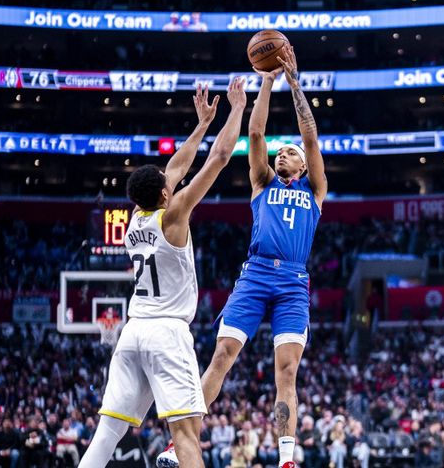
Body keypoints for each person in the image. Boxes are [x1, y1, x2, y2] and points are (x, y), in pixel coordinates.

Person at [158, 45, 327, 468]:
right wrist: (266, 83)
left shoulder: (316, 190)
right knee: (221, 356)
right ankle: (180, 445)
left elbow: (310, 135)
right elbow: (255, 136)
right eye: (280, 151)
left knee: (286, 372)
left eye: (291, 153)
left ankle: (287, 459)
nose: (283, 152)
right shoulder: (262, 181)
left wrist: (294, 83)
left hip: (292, 282)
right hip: (254, 276)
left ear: (304, 168)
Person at [80, 80, 247, 468]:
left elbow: (177, 166)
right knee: (185, 434)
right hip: (167, 333)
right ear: (166, 193)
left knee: (108, 431)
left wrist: (203, 124)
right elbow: (219, 158)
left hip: (133, 332)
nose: (171, 176)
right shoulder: (174, 215)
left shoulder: (136, 217)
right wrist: (236, 109)